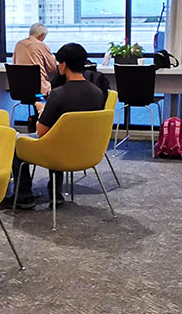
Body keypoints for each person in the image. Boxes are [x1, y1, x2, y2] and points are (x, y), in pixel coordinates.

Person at [7, 43, 108, 209]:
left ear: (63, 65)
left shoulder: (58, 94)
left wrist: (42, 111)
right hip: (88, 151)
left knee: (16, 141)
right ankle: (56, 193)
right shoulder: (97, 93)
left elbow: (41, 132)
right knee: (62, 137)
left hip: (59, 152)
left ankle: (23, 197)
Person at [13, 23, 57, 95]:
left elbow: (14, 64)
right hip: (40, 88)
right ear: (42, 35)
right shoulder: (41, 45)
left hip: (21, 87)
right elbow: (52, 68)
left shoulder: (19, 44)